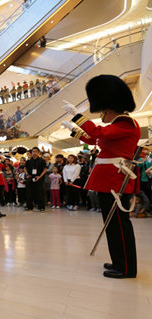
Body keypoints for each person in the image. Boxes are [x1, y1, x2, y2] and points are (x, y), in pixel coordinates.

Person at [63, 74, 140, 279]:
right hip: (109, 181)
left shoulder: (126, 123)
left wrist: (78, 116)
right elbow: (94, 137)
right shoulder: (118, 125)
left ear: (110, 108)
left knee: (118, 226)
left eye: (103, 111)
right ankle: (118, 262)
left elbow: (100, 133)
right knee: (111, 225)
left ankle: (126, 268)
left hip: (116, 180)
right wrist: (74, 130)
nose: (101, 115)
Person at [24, 147, 47, 211]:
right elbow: (25, 168)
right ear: (31, 153)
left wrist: (39, 176)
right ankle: (29, 206)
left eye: (36, 151)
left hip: (39, 179)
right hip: (30, 179)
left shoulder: (42, 160)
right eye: (33, 151)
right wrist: (27, 174)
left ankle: (41, 207)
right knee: (29, 193)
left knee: (40, 193)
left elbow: (45, 169)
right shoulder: (28, 161)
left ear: (38, 152)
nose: (34, 153)